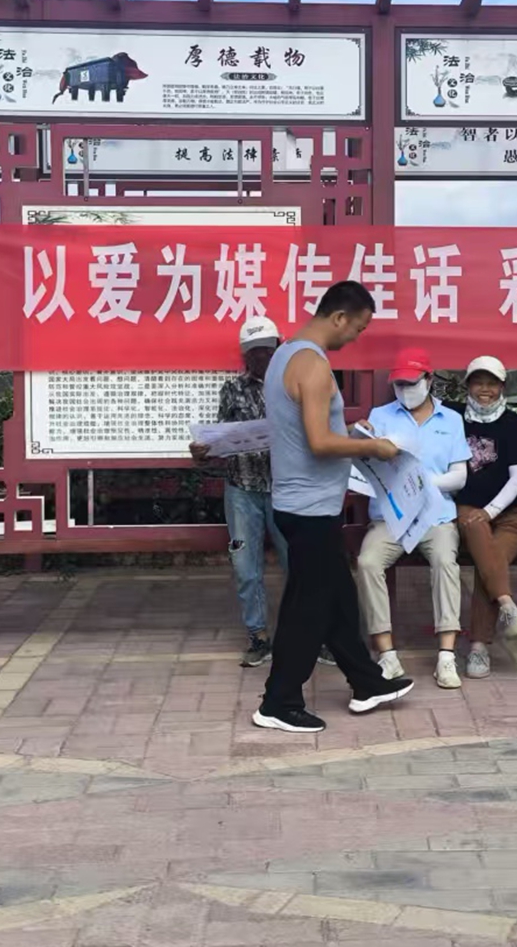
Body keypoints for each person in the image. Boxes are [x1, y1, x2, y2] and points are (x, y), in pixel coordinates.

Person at [255, 280, 414, 733]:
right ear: (339, 317)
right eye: (358, 328)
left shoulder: (285, 355)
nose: (356, 337)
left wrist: (353, 433)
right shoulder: (314, 365)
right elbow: (320, 442)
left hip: (299, 502)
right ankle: (278, 702)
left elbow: (309, 428)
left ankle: (366, 682)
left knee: (338, 597)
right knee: (308, 608)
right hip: (309, 508)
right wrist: (373, 448)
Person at [356, 348, 471, 690]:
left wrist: (423, 484)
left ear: (429, 380)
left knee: (445, 562)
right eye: (399, 385)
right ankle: (386, 654)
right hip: (391, 517)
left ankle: (446, 655)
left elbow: (459, 476)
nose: (405, 390)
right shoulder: (380, 416)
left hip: (436, 514)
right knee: (367, 562)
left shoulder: (451, 420)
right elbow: (367, 467)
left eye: (411, 383)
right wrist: (361, 439)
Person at [190, 317, 290, 668]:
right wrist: (204, 451)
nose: (260, 356)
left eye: (266, 350)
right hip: (241, 489)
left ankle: (307, 633)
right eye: (253, 352)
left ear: (279, 348)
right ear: (245, 355)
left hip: (286, 489)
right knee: (246, 568)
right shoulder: (232, 389)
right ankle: (258, 637)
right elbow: (220, 438)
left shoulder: (295, 385)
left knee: (298, 565)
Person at [452, 355, 517, 680]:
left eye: (491, 384)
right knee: (480, 536)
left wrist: (490, 511)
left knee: (490, 560)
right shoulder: (454, 418)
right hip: (468, 508)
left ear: (502, 387)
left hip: (511, 514)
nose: (484, 390)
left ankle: (479, 647)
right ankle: (506, 606)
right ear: (467, 385)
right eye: (478, 382)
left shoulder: (513, 423)